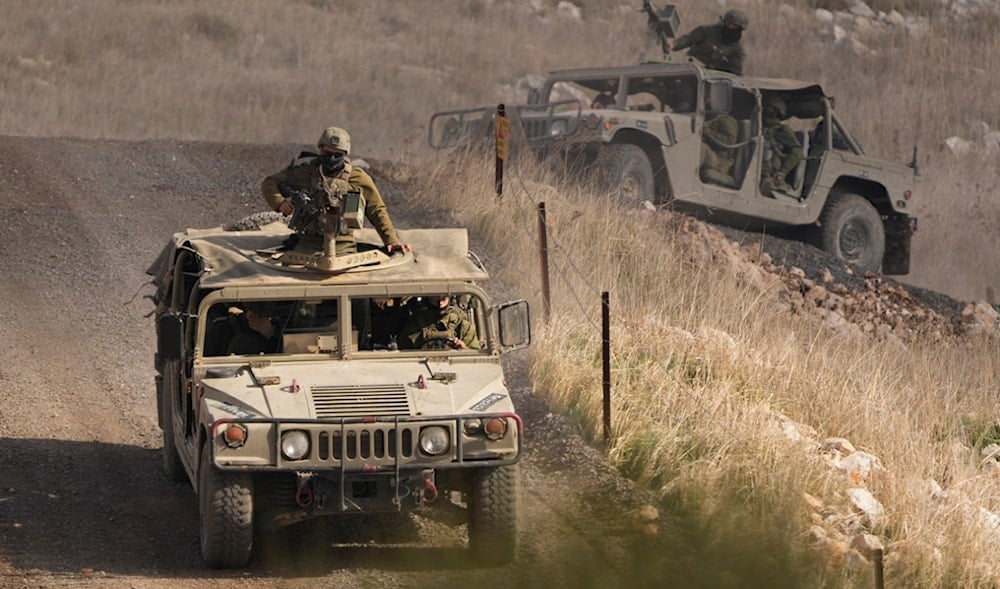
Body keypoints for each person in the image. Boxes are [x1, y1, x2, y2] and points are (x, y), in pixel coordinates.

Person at [260, 126, 410, 255]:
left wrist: (391, 240)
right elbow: (270, 182)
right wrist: (280, 204)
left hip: (343, 246)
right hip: (306, 244)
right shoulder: (306, 172)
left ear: (345, 154)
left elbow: (377, 209)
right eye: (327, 154)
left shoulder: (358, 177)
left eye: (337, 155)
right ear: (320, 149)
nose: (331, 159)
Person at [667, 9, 748, 75]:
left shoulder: (737, 50)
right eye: (728, 24)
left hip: (711, 79)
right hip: (690, 69)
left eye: (734, 26)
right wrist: (674, 45)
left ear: (740, 28)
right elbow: (687, 39)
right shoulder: (706, 31)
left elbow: (734, 72)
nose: (730, 27)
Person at [759, 94, 804, 196]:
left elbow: (798, 152)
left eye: (769, 110)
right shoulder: (757, 127)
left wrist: (783, 172)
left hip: (768, 170)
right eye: (763, 109)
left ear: (777, 113)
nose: (765, 112)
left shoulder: (781, 130)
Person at [399, 295, 480, 350]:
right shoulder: (416, 322)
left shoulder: (463, 325)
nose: (440, 303)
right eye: (436, 298)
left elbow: (477, 357)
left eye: (443, 299)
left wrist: (463, 349)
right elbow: (403, 350)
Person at [205, 301, 283, 356]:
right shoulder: (221, 330)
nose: (257, 308)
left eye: (263, 304)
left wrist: (271, 332)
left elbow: (289, 355)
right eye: (252, 303)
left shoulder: (282, 328)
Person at [700, 114, 740, 178]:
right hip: (711, 153)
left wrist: (706, 131)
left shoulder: (726, 120)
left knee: (702, 148)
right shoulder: (703, 116)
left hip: (720, 159)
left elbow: (728, 142)